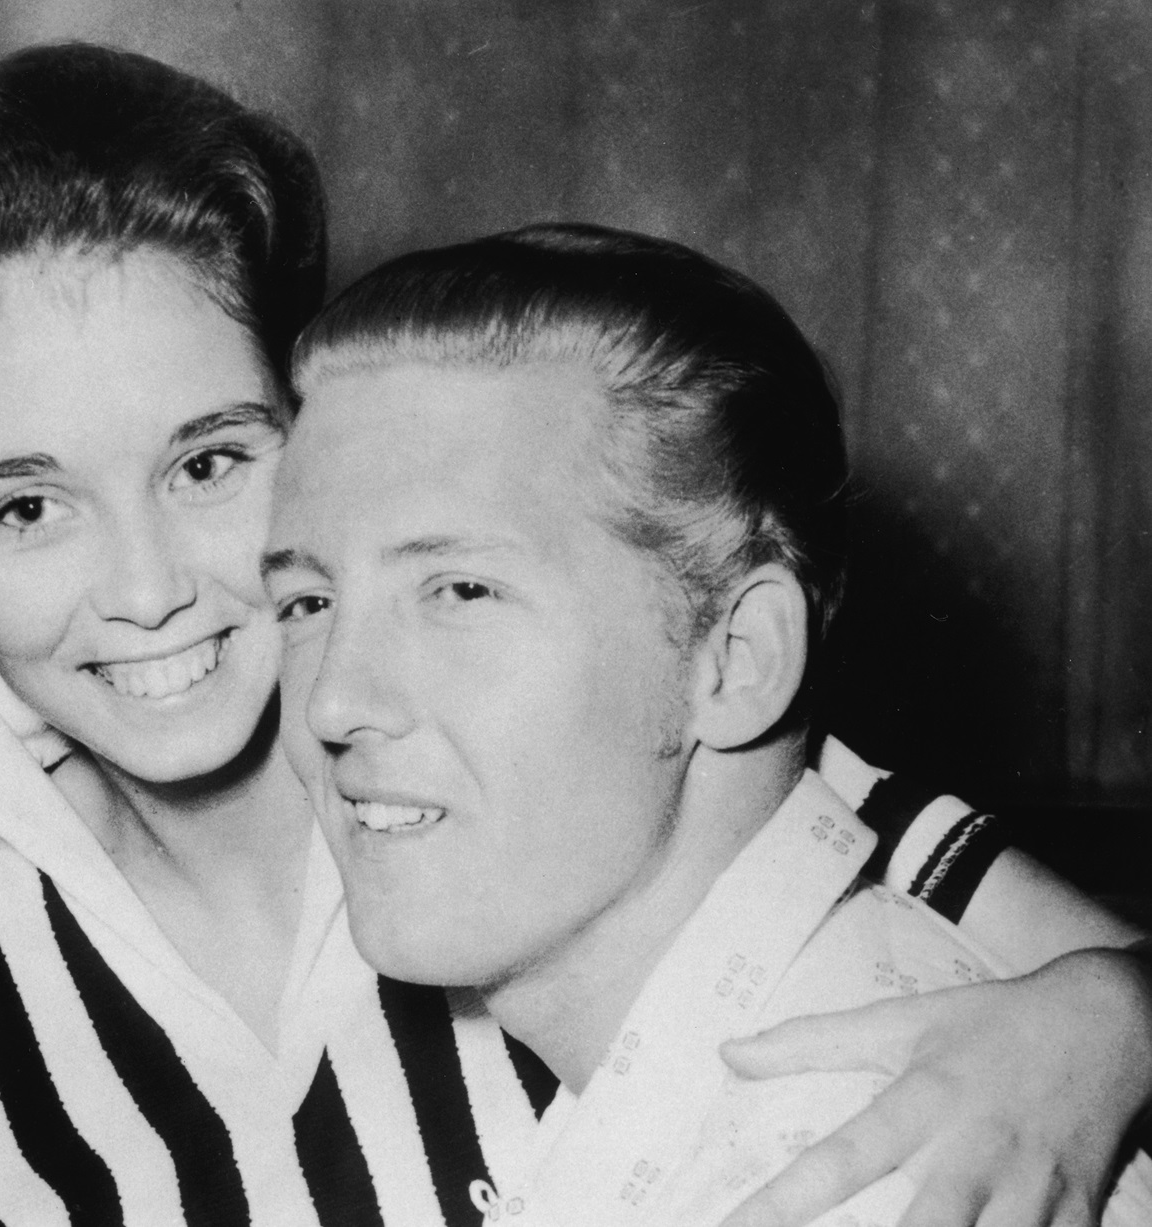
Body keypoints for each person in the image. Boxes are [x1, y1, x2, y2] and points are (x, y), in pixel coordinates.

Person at [0, 41, 1151, 1227]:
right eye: (28, 506)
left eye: (208, 464)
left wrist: (1102, 1021)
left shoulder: (578, 767)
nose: (144, 587)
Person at [264, 223, 1152, 1227]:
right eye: (308, 602)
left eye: (461, 590)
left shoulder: (861, 1181)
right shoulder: (718, 1071)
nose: (332, 701)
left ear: (738, 659)